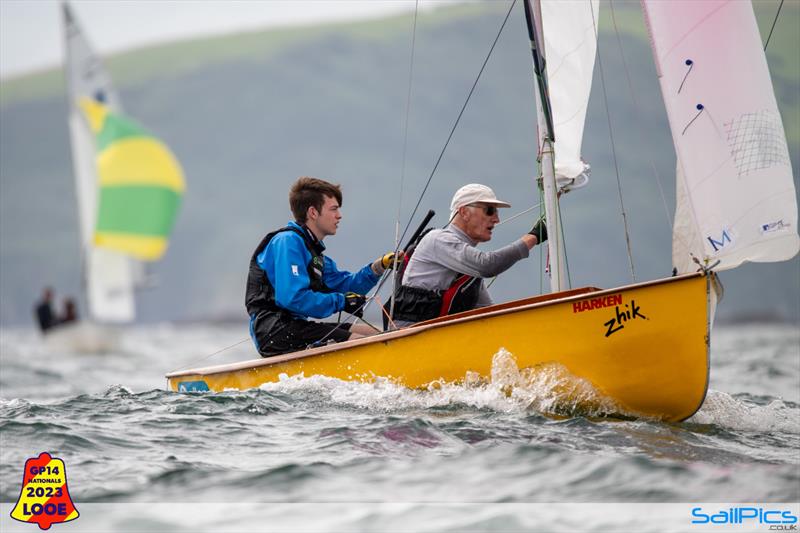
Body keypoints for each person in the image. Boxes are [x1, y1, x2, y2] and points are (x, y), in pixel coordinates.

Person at [246, 176, 402, 357]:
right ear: (313, 212)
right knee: (364, 343)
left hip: (296, 327)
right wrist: (342, 301)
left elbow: (346, 286)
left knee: (374, 334)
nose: (339, 215)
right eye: (334, 209)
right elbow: (293, 298)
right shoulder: (288, 242)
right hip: (274, 331)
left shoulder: (314, 254)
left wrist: (378, 268)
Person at [392, 183, 547, 325]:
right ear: (464, 212)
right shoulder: (438, 240)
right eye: (489, 210)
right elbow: (488, 265)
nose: (497, 219)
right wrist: (534, 236)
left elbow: (488, 312)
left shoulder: (468, 266)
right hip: (413, 339)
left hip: (439, 341)